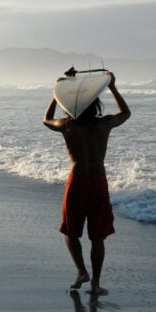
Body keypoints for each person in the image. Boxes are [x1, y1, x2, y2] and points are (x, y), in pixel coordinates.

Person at [42, 71, 130, 294]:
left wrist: (57, 94)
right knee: (97, 236)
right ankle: (96, 283)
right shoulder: (105, 124)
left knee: (71, 232)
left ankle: (82, 271)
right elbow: (126, 113)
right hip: (98, 182)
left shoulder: (67, 125)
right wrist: (112, 86)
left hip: (77, 181)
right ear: (95, 105)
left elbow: (46, 119)